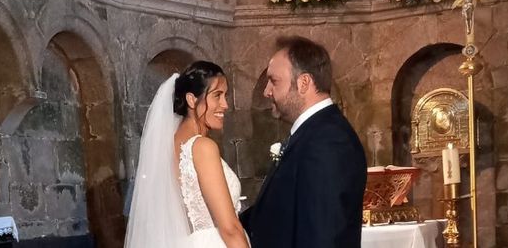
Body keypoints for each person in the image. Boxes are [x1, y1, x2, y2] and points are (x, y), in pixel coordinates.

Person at [240, 36, 367, 248]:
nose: (266, 91)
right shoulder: (313, 134)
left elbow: (322, 235)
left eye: (274, 81)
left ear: (303, 83)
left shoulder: (328, 142)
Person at [125, 61, 249, 248]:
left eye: (226, 96)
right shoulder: (202, 147)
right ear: (191, 100)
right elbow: (230, 228)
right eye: (217, 95)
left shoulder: (167, 146)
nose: (225, 105)